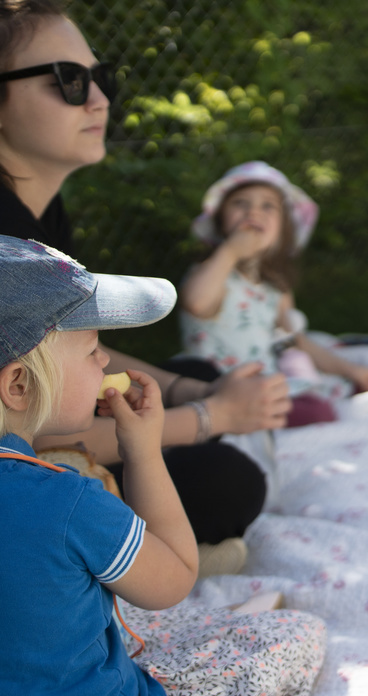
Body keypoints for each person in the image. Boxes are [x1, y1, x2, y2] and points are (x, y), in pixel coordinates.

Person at [0, 236, 325, 696]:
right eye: (94, 349)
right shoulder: (69, 500)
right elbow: (174, 578)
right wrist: (143, 450)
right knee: (295, 636)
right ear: (20, 385)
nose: (106, 363)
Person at [0, 0, 289, 571]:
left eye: (99, 78)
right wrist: (211, 418)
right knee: (229, 482)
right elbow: (27, 427)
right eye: (70, 80)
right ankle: (140, 565)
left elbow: (71, 344)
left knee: (199, 376)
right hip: (19, 446)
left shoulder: (40, 211)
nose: (101, 99)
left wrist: (186, 392)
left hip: (41, 408)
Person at [181, 161, 368, 426]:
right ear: (220, 221)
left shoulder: (275, 286)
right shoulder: (212, 272)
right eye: (240, 203)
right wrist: (230, 251)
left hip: (266, 381)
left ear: (283, 227)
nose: (253, 211)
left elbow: (295, 341)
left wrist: (350, 369)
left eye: (268, 205)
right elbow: (195, 302)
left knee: (343, 389)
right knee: (316, 412)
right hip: (220, 386)